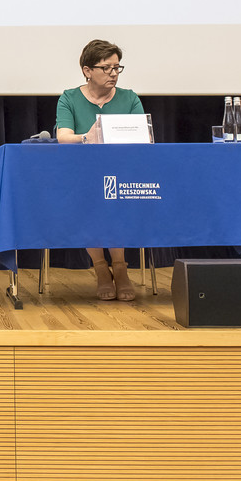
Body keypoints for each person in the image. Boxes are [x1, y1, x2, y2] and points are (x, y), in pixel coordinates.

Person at [54, 39, 145, 302]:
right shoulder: (69, 98)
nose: (114, 73)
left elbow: (142, 137)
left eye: (117, 67)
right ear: (87, 70)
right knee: (88, 199)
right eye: (106, 68)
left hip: (122, 170)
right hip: (82, 173)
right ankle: (101, 267)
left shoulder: (130, 98)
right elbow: (63, 137)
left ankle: (120, 266)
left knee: (117, 197)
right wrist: (87, 137)